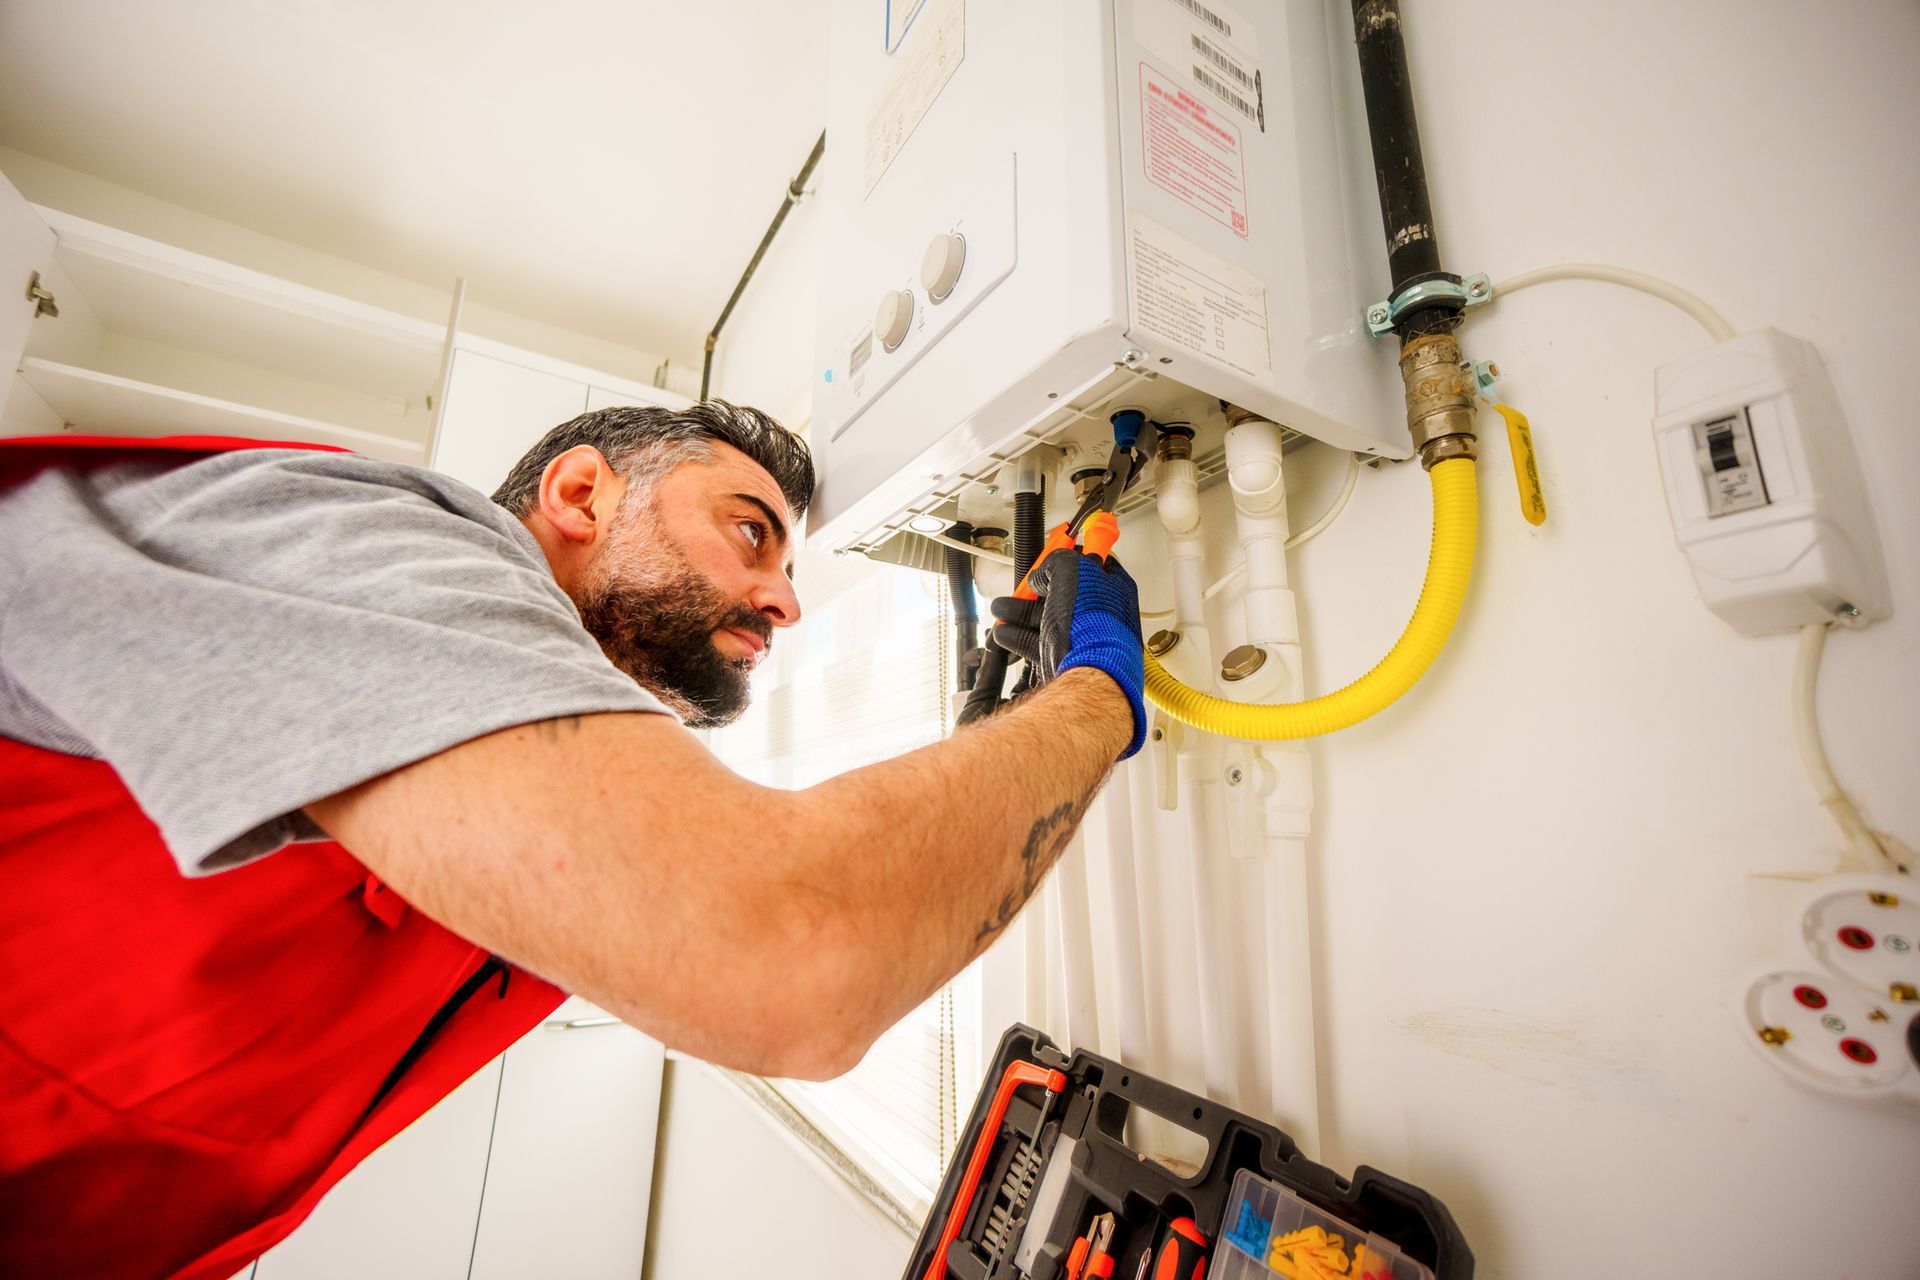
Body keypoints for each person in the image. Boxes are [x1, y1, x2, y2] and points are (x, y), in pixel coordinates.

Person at [0, 401, 1145, 1279]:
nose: (786, 600)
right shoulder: (376, 538)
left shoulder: (542, 770)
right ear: (583, 491)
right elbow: (798, 949)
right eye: (752, 533)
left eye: (789, 567)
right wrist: (1095, 693)